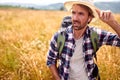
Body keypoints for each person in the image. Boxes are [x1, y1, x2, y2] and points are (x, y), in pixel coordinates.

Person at [46, 0, 120, 80]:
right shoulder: (59, 37)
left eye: (81, 14)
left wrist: (112, 23)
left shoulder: (95, 35)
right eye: (73, 13)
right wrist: (58, 78)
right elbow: (50, 60)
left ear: (90, 18)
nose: (75, 18)